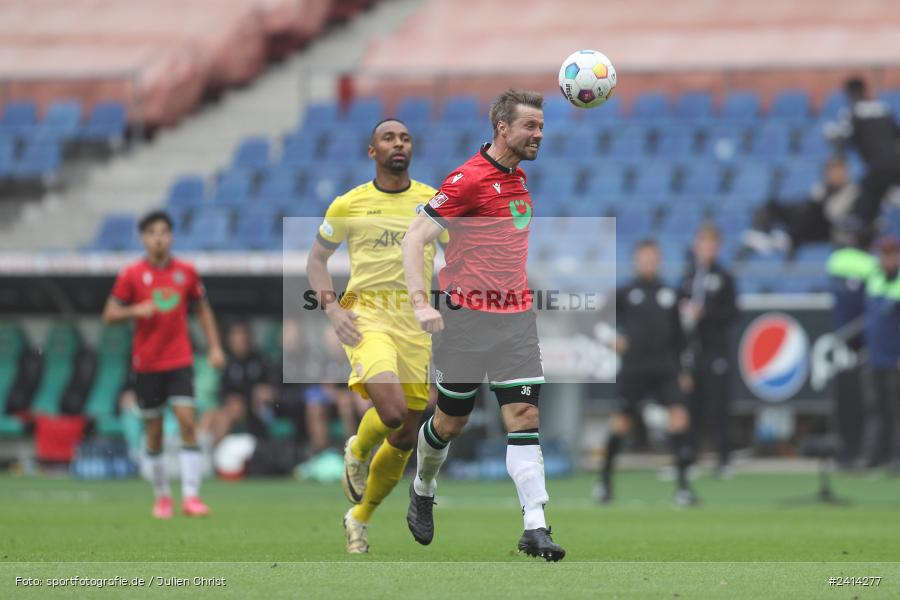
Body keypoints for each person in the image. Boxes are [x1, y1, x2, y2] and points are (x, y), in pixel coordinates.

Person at [402, 89, 565, 561]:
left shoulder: (519, 179)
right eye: (530, 127)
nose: (539, 134)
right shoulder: (467, 180)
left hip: (515, 319)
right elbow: (416, 239)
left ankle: (535, 526)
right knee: (451, 421)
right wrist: (420, 304)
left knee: (525, 417)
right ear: (502, 128)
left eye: (541, 127)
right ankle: (424, 486)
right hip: (465, 318)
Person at [306, 118, 446, 553]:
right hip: (367, 316)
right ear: (373, 151)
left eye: (404, 137)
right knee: (391, 411)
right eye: (388, 138)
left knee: (406, 434)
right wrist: (331, 308)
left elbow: (458, 252)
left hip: (414, 324)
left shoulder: (430, 201)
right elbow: (316, 261)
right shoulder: (349, 204)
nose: (398, 143)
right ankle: (357, 448)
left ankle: (359, 517)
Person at [102, 210, 225, 518]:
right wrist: (135, 311)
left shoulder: (186, 272)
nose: (159, 237)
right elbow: (109, 314)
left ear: (171, 236)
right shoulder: (131, 274)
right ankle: (161, 497)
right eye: (152, 232)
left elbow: (203, 310)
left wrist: (214, 347)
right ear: (143, 238)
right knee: (154, 432)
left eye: (164, 232)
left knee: (187, 422)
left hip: (180, 360)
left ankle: (191, 497)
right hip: (146, 364)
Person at [597, 239, 698, 506]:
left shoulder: (670, 294)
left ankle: (684, 488)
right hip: (634, 368)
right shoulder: (625, 292)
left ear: (659, 260)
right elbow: (598, 320)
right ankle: (604, 484)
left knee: (679, 420)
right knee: (620, 424)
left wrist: (684, 369)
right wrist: (611, 339)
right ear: (636, 260)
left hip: (666, 368)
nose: (649, 262)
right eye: (644, 258)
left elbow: (680, 336)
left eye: (653, 258)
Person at [678, 224, 739, 478]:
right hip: (693, 350)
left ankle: (723, 459)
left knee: (718, 404)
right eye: (703, 243)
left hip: (715, 350)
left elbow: (733, 313)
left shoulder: (724, 277)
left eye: (712, 243)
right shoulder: (689, 277)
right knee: (692, 404)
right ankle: (690, 459)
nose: (707, 248)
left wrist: (706, 314)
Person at [826, 216, 876, 467]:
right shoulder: (868, 263)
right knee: (866, 401)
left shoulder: (835, 260)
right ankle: (860, 452)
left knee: (850, 400)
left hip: (846, 337)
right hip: (863, 339)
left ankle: (850, 451)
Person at [741, 157, 859, 256]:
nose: (835, 175)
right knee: (774, 205)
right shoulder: (822, 187)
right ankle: (763, 234)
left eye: (838, 171)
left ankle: (788, 239)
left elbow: (833, 213)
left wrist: (820, 201)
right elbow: (809, 201)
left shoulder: (852, 190)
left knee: (811, 209)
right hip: (808, 221)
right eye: (832, 172)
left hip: (828, 228)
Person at [826, 77, 900, 222]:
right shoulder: (883, 108)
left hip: (879, 168)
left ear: (850, 94)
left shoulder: (853, 111)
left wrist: (831, 137)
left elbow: (843, 139)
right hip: (897, 164)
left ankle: (866, 232)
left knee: (864, 208)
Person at [858, 235, 900, 472]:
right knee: (875, 408)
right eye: (884, 254)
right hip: (875, 356)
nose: (887, 259)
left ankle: (896, 458)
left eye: (892, 254)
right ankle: (873, 457)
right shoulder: (874, 279)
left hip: (895, 358)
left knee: (896, 410)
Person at [200, 320, 276, 444]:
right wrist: (229, 400)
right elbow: (222, 391)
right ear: (230, 340)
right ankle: (199, 448)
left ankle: (211, 453)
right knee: (210, 414)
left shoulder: (261, 361)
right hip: (233, 409)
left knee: (228, 415)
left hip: (257, 413)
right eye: (237, 336)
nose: (241, 340)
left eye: (243, 335)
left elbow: (270, 390)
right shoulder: (228, 363)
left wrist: (253, 398)